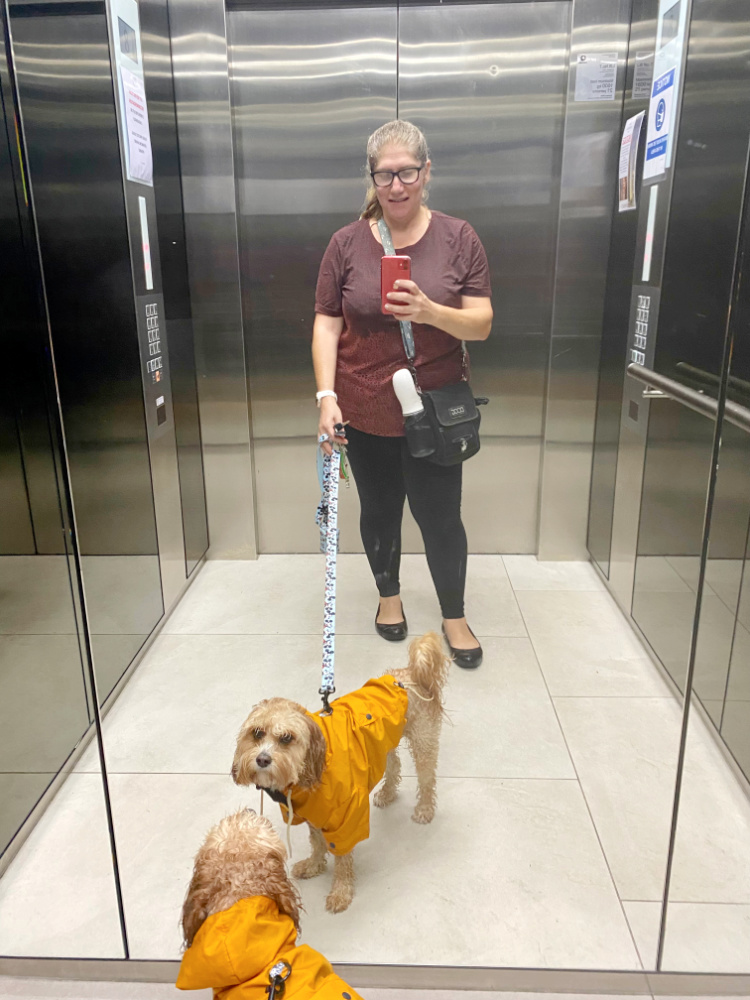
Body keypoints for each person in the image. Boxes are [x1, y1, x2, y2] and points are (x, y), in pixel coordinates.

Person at [312, 120, 492, 669]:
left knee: (441, 515)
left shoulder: (459, 238)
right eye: (384, 174)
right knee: (380, 509)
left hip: (435, 409)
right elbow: (326, 323)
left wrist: (430, 312)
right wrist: (325, 395)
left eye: (407, 172)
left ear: (426, 171)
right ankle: (388, 596)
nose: (396, 186)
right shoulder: (346, 243)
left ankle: (453, 613)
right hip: (363, 406)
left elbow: (481, 324)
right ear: (372, 176)